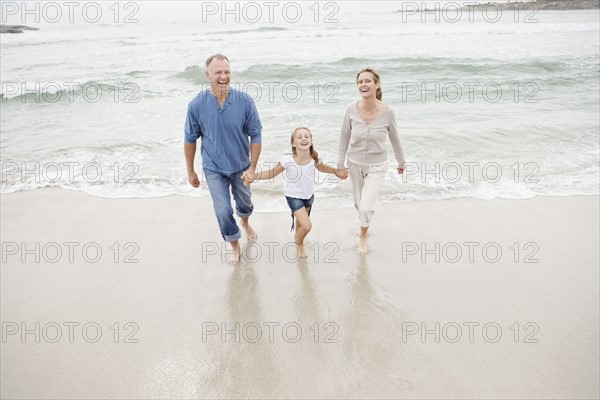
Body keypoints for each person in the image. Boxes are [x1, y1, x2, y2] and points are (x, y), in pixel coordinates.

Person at [184, 54, 262, 264]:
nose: (223, 76)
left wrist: (252, 167)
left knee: (245, 204)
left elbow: (256, 134)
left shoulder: (244, 101)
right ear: (207, 74)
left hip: (241, 166)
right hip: (213, 167)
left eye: (227, 71)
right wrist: (190, 171)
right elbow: (190, 139)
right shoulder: (196, 105)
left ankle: (245, 223)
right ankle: (235, 245)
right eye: (218, 72)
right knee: (223, 210)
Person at [243, 127, 343, 259]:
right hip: (293, 196)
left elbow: (323, 167)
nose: (304, 138)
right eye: (300, 137)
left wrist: (336, 171)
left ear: (311, 141)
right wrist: (253, 176)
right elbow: (271, 173)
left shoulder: (313, 158)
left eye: (307, 136)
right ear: (293, 143)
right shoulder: (287, 160)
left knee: (301, 222)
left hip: (308, 196)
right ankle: (299, 243)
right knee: (307, 226)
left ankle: (297, 235)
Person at [337, 67, 406, 255]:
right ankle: (364, 224)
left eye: (367, 81)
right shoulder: (351, 109)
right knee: (360, 205)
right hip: (354, 163)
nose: (363, 84)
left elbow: (395, 138)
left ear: (377, 84)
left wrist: (401, 162)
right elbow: (344, 137)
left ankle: (362, 236)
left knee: (366, 207)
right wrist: (340, 164)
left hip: (377, 165)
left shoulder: (388, 112)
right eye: (360, 82)